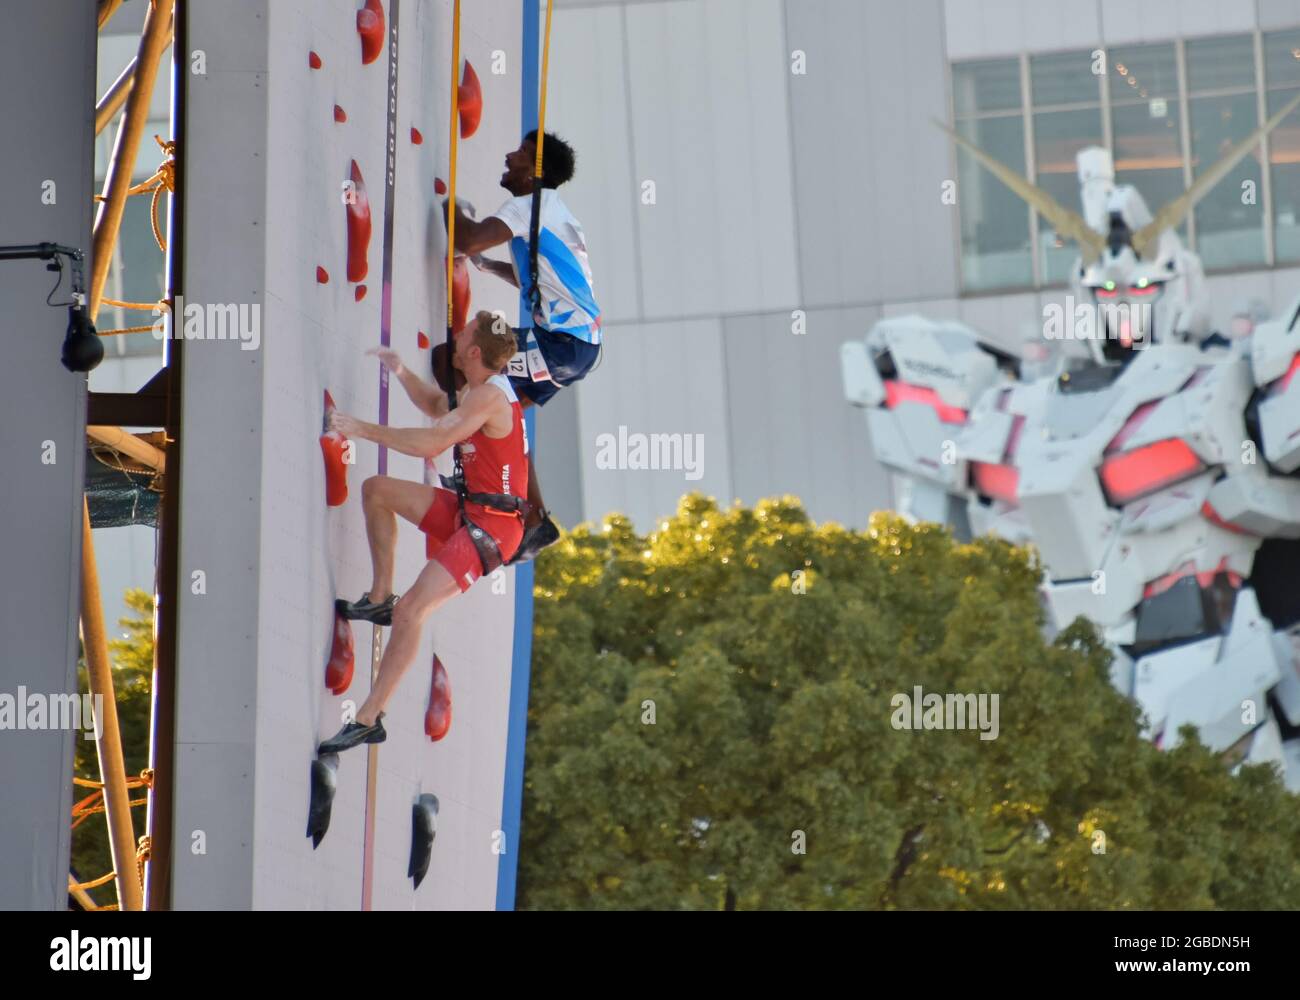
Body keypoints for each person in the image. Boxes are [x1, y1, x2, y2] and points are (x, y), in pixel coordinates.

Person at [318, 311, 527, 754]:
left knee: (413, 611)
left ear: (473, 351)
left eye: (465, 331)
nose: (457, 333)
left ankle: (369, 717)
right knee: (377, 491)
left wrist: (360, 429)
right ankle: (378, 599)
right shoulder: (480, 391)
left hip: (493, 529)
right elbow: (435, 407)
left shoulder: (489, 398)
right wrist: (400, 370)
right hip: (473, 510)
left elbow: (433, 443)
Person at [436, 129, 601, 563]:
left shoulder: (530, 205)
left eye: (522, 154)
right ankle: (534, 519)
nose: (510, 157)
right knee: (502, 410)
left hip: (562, 344)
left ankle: (508, 500)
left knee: (458, 366)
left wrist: (452, 207)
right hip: (577, 346)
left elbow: (467, 237)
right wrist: (488, 266)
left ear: (537, 170)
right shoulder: (554, 212)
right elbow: (538, 281)